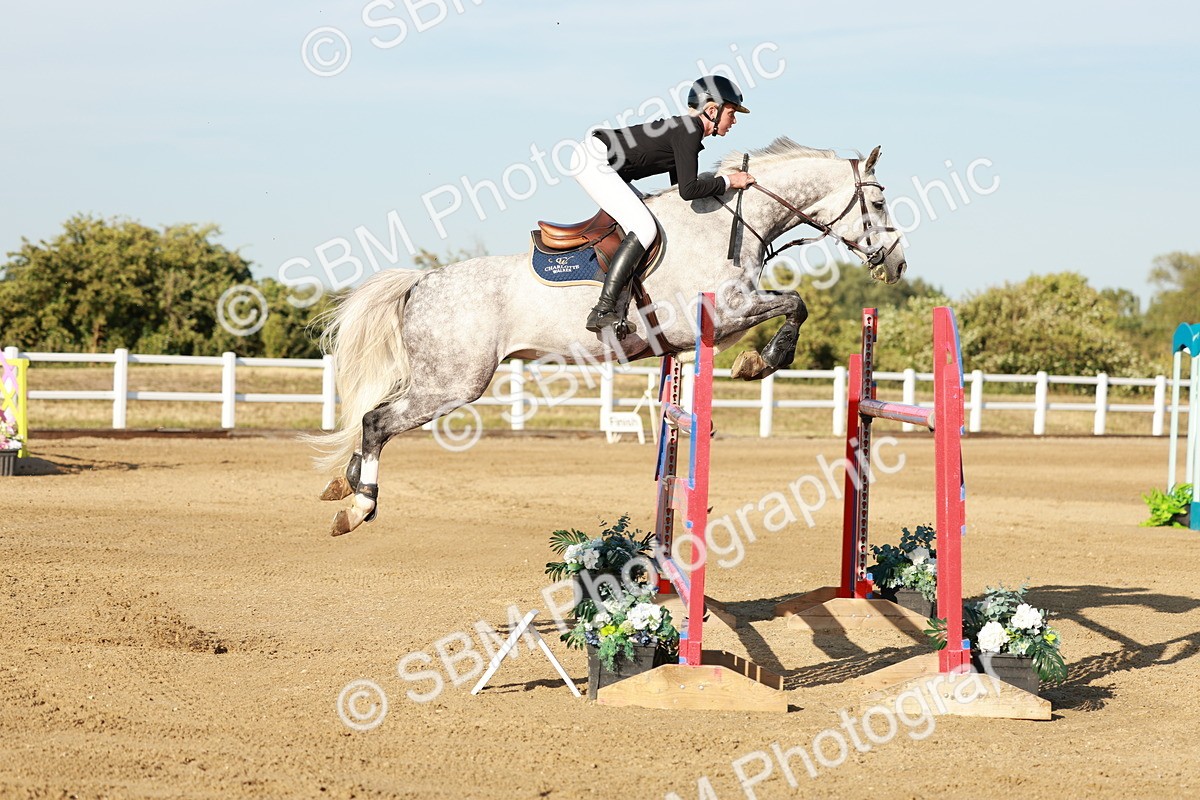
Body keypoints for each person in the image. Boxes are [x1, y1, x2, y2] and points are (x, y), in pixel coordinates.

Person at [573, 75, 756, 336]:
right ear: (712, 110)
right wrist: (730, 180)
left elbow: (678, 192)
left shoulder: (686, 131)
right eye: (732, 112)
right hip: (594, 160)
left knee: (652, 217)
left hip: (602, 161)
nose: (734, 120)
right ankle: (603, 309)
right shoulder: (689, 130)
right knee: (645, 228)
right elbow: (688, 190)